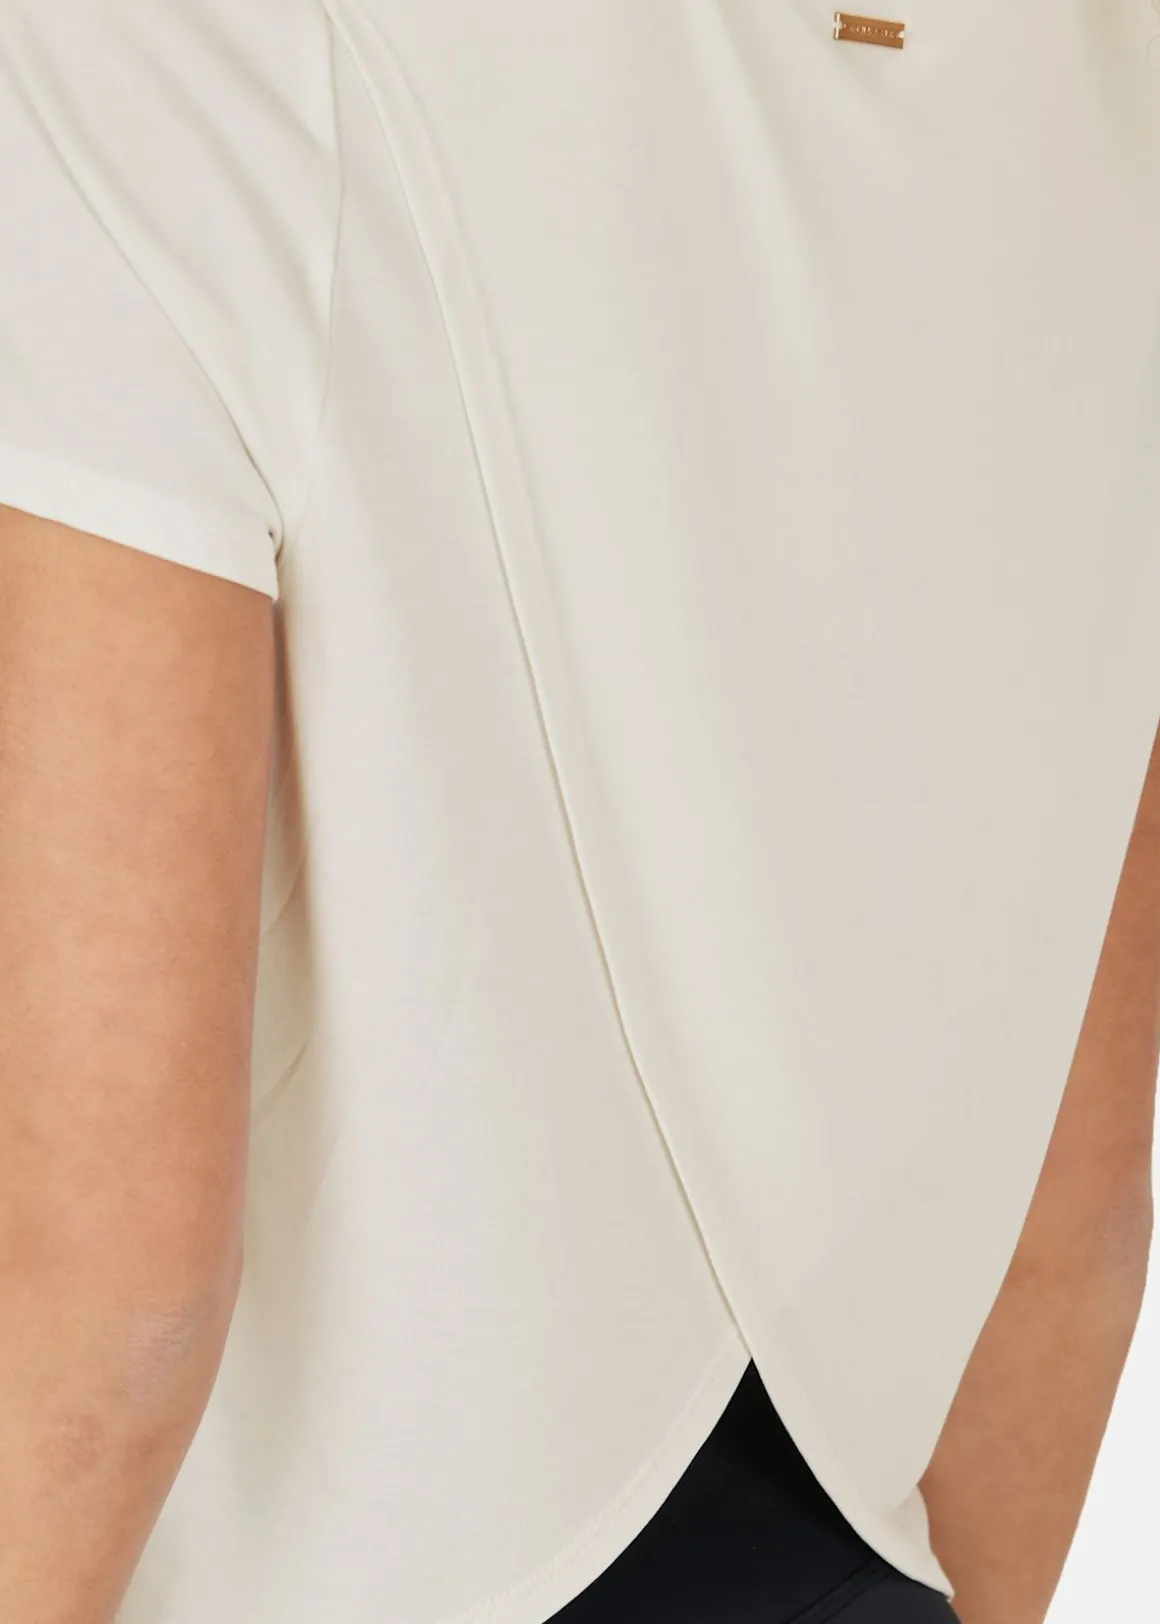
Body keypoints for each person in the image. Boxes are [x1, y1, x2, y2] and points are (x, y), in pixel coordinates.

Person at [0, 3, 1156, 1622]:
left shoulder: (136, 45)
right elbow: (1065, 1200)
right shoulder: (1096, 71)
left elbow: (100, 1295)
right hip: (858, 1562)